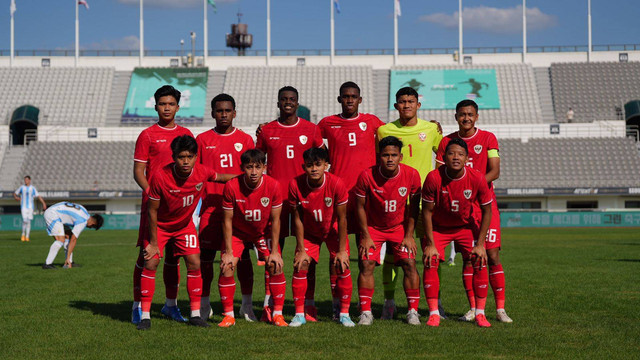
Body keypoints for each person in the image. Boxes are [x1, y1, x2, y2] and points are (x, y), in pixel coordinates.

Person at [137, 135, 235, 330]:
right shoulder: (159, 176)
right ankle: (145, 316)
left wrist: (244, 177)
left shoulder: (201, 172)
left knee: (195, 262)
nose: (185, 161)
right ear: (173, 156)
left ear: (196, 157)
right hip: (161, 226)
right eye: (181, 157)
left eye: (189, 156)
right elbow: (152, 210)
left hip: (184, 226)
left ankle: (196, 315)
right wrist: (154, 243)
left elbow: (221, 178)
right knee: (151, 260)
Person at [436, 99, 512, 323]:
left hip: (485, 205)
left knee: (492, 255)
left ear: (476, 116)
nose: (466, 118)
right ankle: (473, 308)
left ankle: (500, 309)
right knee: (469, 259)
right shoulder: (446, 141)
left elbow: (495, 171)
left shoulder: (488, 138)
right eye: (462, 114)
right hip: (461, 209)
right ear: (456, 116)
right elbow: (440, 173)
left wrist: (473, 189)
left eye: (470, 114)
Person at [315, 81, 384, 320]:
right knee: (338, 254)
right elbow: (307, 140)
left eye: (354, 96)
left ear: (360, 100)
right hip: (339, 197)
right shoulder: (327, 124)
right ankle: (338, 306)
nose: (350, 100)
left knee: (366, 257)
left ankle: (366, 308)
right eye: (345, 96)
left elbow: (396, 134)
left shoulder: (373, 122)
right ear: (339, 99)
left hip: (368, 198)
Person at [255, 86, 323, 321]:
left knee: (308, 255)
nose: (288, 103)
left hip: (305, 201)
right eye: (283, 99)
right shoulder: (266, 131)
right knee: (274, 253)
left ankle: (308, 305)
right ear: (278, 102)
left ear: (297, 102)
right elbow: (257, 162)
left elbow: (322, 162)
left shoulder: (311, 130)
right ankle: (270, 304)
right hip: (276, 202)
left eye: (292, 99)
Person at [376, 87, 443, 319]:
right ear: (396, 106)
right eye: (402, 102)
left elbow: (443, 158)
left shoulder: (431, 129)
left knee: (430, 255)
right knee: (394, 257)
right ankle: (389, 302)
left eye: (411, 101)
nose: (406, 105)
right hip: (394, 204)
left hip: (426, 204)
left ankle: (436, 304)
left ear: (418, 105)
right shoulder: (384, 130)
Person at [131, 85, 194, 325]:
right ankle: (137, 306)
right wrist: (153, 194)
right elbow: (138, 172)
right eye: (162, 104)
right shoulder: (147, 135)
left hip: (180, 207)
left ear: (178, 107)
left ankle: (171, 306)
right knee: (147, 255)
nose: (166, 108)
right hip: (155, 207)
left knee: (174, 257)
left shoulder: (186, 133)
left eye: (171, 104)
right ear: (155, 106)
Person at [196, 93, 257, 322]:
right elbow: (198, 175)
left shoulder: (246, 139)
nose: (223, 114)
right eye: (219, 111)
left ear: (235, 112)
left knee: (242, 259)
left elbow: (252, 175)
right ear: (213, 113)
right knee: (206, 258)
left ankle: (247, 305)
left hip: (240, 210)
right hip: (211, 208)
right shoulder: (201, 140)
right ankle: (204, 305)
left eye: (227, 110)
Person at [421, 138, 492, 327]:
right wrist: (430, 243)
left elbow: (487, 210)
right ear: (444, 157)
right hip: (439, 228)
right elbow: (426, 212)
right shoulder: (433, 177)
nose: (455, 157)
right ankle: (434, 313)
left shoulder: (476, 178)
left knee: (478, 260)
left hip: (465, 227)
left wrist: (481, 244)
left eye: (460, 154)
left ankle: (480, 313)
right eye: (451, 153)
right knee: (430, 260)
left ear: (467, 158)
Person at [354, 136, 422, 326]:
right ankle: (366, 313)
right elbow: (359, 207)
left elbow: (413, 207)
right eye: (385, 155)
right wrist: (365, 236)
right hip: (373, 228)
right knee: (366, 264)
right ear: (379, 157)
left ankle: (413, 311)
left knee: (409, 263)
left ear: (401, 156)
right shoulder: (367, 175)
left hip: (399, 228)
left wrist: (409, 235)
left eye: (394, 155)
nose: (390, 159)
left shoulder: (412, 175)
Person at [217, 149, 288, 327]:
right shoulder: (232, 186)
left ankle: (278, 314)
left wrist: (274, 252)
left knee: (275, 264)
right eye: (249, 167)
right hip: (237, 233)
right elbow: (226, 221)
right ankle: (229, 315)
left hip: (262, 233)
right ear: (242, 168)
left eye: (258, 167)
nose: (254, 172)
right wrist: (228, 252)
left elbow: (276, 220)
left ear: (264, 167)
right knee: (227, 266)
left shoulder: (273, 185)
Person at [288, 147, 353, 327]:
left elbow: (342, 219)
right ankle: (300, 314)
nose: (314, 169)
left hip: (332, 230)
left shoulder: (337, 184)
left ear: (326, 165)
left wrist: (341, 250)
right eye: (310, 165)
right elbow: (298, 218)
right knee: (301, 265)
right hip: (309, 232)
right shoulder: (295, 184)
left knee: (341, 264)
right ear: (303, 166)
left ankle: (344, 313)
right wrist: (301, 249)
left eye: (318, 165)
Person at [41, 202, 103, 269]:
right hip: (53, 214)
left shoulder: (84, 210)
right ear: (93, 224)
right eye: (92, 227)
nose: (89, 228)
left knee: (68, 236)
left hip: (55, 212)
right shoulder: (83, 221)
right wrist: (67, 257)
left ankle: (70, 262)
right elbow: (74, 240)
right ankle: (47, 264)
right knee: (61, 240)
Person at [14, 175, 47, 242]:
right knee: (25, 220)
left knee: (28, 222)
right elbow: (15, 193)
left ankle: (27, 236)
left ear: (29, 180)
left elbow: (38, 196)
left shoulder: (32, 188)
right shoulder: (22, 187)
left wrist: (43, 203)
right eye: (25, 180)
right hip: (23, 207)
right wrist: (16, 197)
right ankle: (23, 234)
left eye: (26, 180)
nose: (25, 181)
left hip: (30, 207)